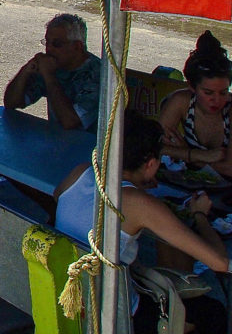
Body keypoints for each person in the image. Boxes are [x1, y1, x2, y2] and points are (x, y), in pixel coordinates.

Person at [56, 111, 227, 333]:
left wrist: (136, 188)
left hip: (70, 301)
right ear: (152, 164)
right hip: (116, 317)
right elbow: (220, 262)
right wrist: (200, 215)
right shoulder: (139, 203)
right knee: (213, 311)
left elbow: (59, 198)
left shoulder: (80, 173)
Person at [3, 13, 100, 131]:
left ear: (77, 46)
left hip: (91, 146)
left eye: (57, 44)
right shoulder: (54, 65)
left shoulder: (97, 75)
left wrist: (49, 76)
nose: (49, 49)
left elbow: (70, 122)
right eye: (47, 42)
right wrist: (25, 71)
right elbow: (11, 103)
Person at [158, 31, 232, 174]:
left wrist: (186, 153)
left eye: (223, 92)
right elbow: (152, 146)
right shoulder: (181, 101)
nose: (216, 100)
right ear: (192, 87)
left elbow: (229, 169)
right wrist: (201, 156)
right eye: (208, 93)